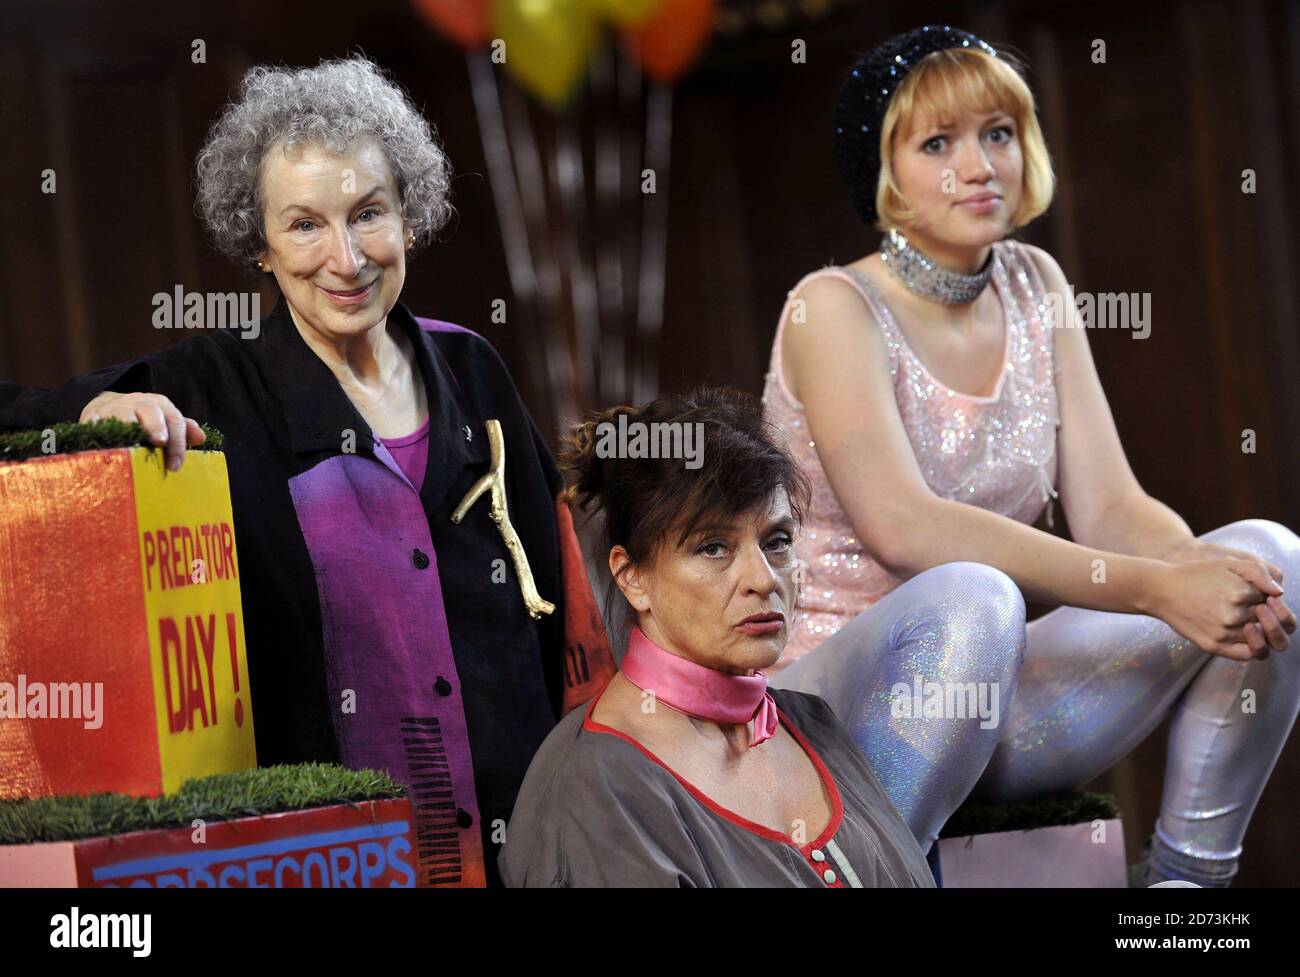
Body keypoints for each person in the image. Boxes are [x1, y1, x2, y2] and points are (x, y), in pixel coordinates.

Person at [0, 56, 614, 888]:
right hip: (341, 860)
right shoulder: (215, 380)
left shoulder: (474, 368)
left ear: (411, 213)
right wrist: (89, 416)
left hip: (533, 845)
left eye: (369, 214)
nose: (347, 258)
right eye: (304, 225)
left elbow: (564, 603)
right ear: (258, 245)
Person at [762, 24, 1300, 886]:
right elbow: (904, 527)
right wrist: (1161, 589)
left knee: (1274, 557)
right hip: (846, 715)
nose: (979, 166)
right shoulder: (831, 305)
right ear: (882, 169)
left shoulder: (1034, 283)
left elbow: (1113, 506)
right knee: (975, 597)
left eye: (998, 133)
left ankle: (1184, 895)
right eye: (938, 143)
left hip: (998, 691)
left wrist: (1206, 574)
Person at [499, 388, 935, 888]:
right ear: (632, 576)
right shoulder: (593, 782)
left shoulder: (813, 725)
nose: (764, 578)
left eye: (776, 542)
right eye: (712, 547)